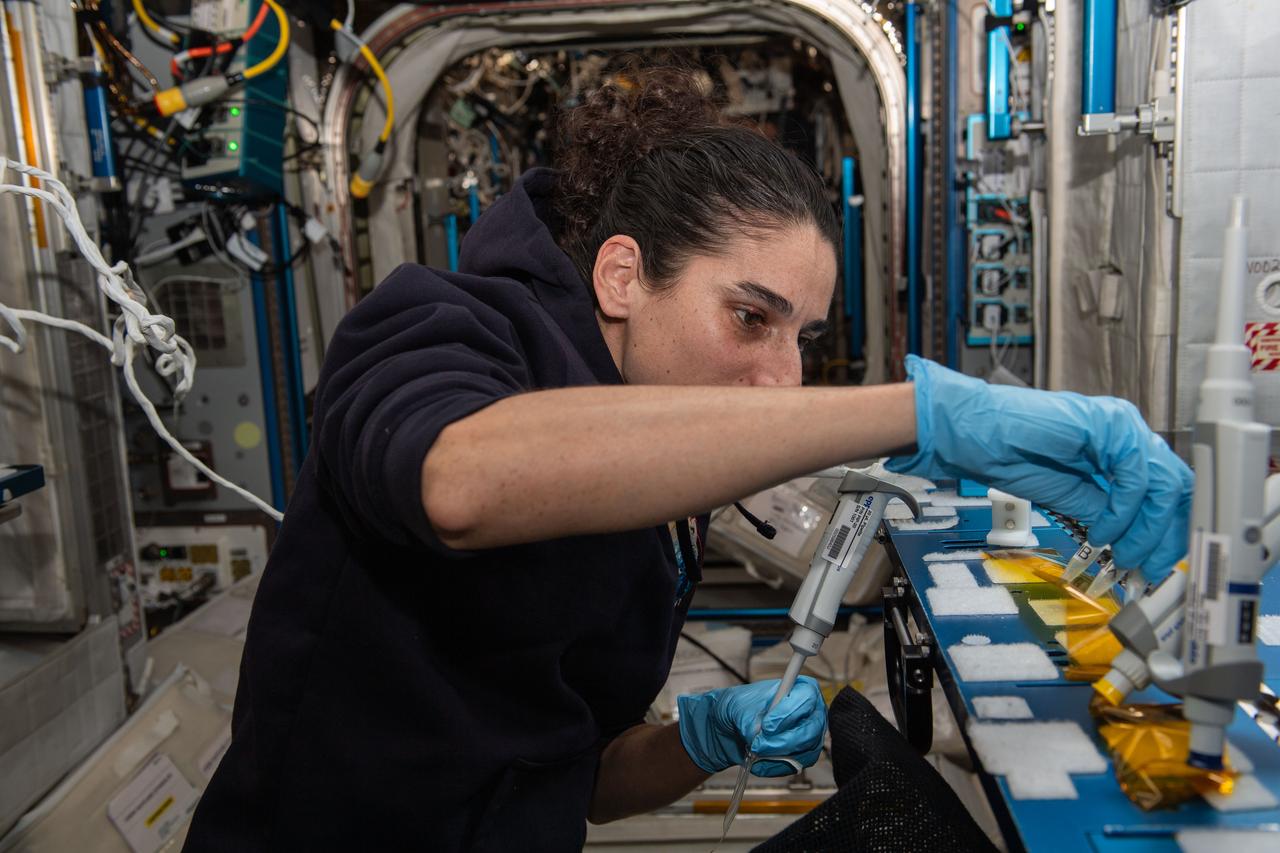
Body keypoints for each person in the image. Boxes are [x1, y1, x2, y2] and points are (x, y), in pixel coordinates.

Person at [182, 66, 1191, 851]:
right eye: (749, 317)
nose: (780, 375)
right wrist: (915, 411)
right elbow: (459, 484)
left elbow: (576, 780)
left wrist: (698, 741)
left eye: (800, 336)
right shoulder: (434, 325)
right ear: (621, 274)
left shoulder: (660, 473)